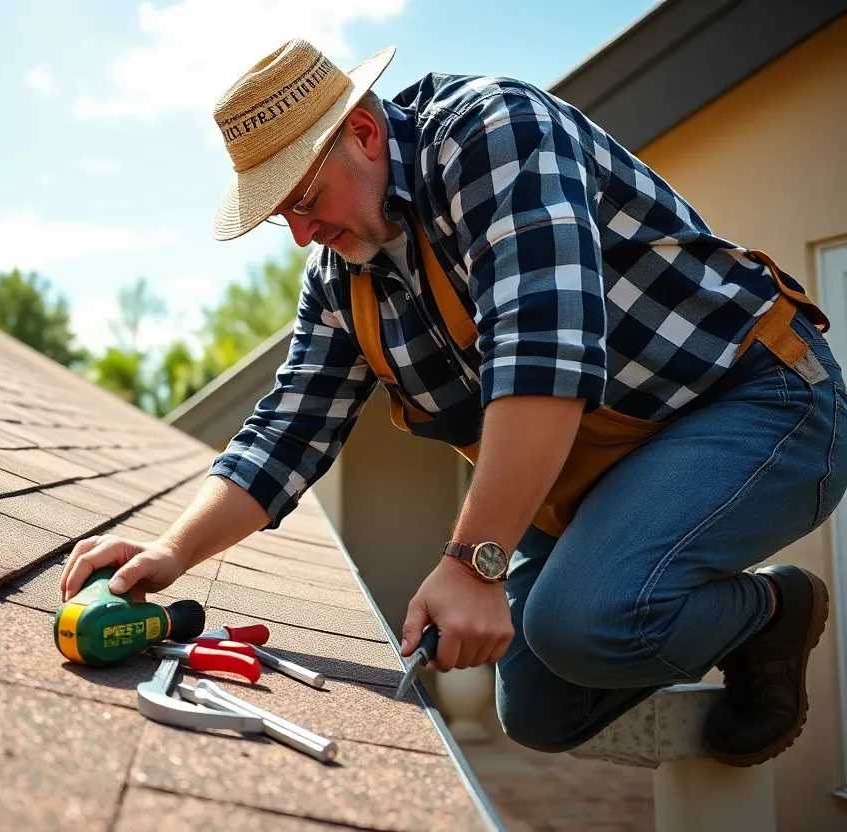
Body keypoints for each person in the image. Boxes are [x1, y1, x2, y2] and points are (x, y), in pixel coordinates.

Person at [61, 39, 845, 766]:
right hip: (599, 480)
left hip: (759, 401)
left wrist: (473, 563)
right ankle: (719, 606)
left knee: (586, 621)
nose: (301, 233)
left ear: (365, 134)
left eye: (304, 198)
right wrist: (170, 551)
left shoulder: (494, 133)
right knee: (540, 709)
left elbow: (546, 352)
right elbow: (286, 433)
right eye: (280, 217)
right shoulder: (343, 281)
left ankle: (772, 613)